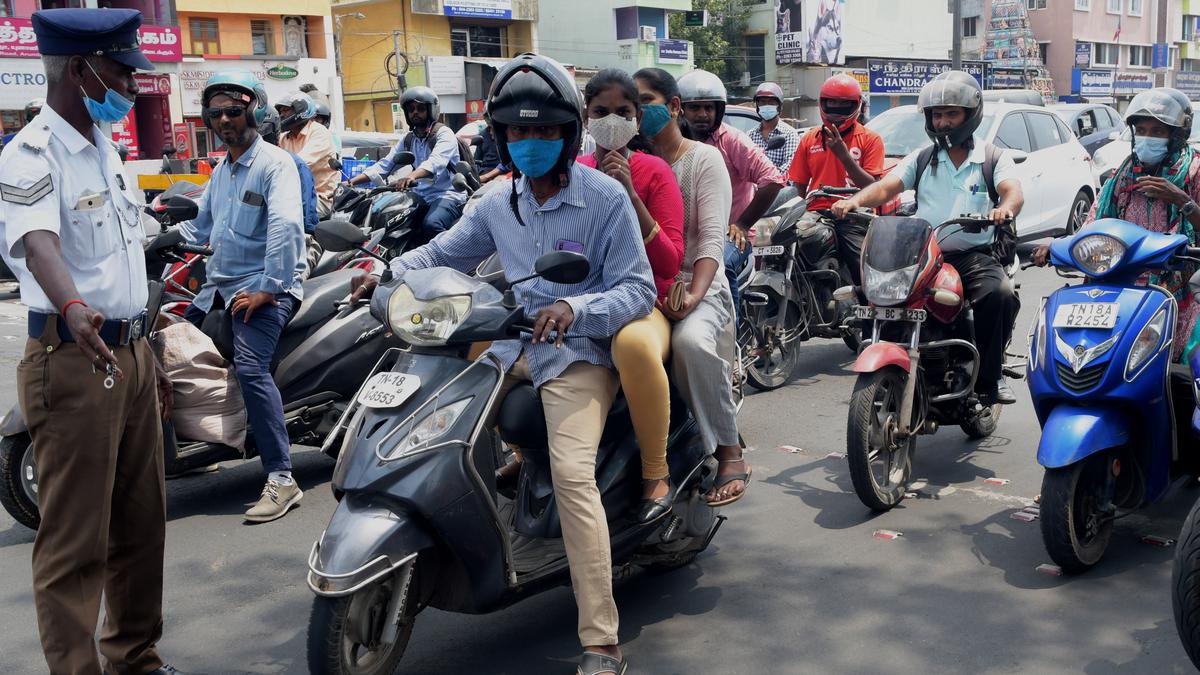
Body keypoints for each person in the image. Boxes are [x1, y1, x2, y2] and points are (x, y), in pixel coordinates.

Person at [350, 53, 654, 675]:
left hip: (578, 354)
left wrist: (575, 306)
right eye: (519, 131)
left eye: (544, 130)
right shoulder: (497, 203)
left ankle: (601, 641)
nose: (531, 143)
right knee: (427, 421)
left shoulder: (604, 198)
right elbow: (443, 253)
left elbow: (637, 288)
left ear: (569, 134)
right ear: (502, 136)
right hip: (508, 343)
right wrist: (381, 272)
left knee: (573, 477)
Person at [0, 8, 183, 674]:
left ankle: (135, 658)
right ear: (78, 71)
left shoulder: (108, 151)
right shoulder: (32, 152)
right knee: (76, 543)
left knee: (142, 528)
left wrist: (151, 350)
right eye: (119, 69)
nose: (132, 84)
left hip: (128, 354)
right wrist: (73, 305)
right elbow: (38, 241)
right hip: (75, 359)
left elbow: (125, 266)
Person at [831, 70, 1023, 406]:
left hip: (972, 257)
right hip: (924, 254)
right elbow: (887, 186)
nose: (944, 122)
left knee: (1001, 295)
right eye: (938, 114)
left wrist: (1004, 209)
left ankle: (992, 377)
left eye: (952, 114)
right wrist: (855, 200)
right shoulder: (923, 158)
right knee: (881, 297)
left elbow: (1013, 192)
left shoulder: (992, 158)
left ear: (969, 115)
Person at [180, 71, 307, 522]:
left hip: (266, 290)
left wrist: (267, 288)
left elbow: (287, 227)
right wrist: (148, 238)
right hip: (220, 288)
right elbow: (198, 225)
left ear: (254, 111)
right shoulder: (221, 171)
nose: (224, 120)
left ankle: (281, 478)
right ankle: (207, 440)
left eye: (234, 110)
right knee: (176, 352)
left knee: (251, 368)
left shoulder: (275, 164)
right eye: (215, 113)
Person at [636, 67, 751, 507]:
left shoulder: (704, 160)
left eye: (648, 100)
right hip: (638, 286)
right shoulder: (622, 162)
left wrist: (694, 297)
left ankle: (729, 449)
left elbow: (710, 241)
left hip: (695, 283)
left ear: (673, 106)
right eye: (634, 104)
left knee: (691, 343)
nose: (639, 112)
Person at [575, 68, 685, 521]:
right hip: (581, 302)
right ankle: (524, 454)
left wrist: (628, 194)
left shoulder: (654, 171)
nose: (611, 120)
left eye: (623, 112)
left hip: (644, 303)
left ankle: (655, 472)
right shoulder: (572, 173)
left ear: (638, 119)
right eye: (602, 112)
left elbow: (669, 262)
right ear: (586, 118)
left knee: (633, 346)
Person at [1032, 88, 1200, 360]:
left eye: (1158, 132)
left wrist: (1181, 199)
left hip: (1176, 288)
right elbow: (1093, 222)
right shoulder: (1123, 175)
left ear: (1176, 136)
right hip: (1121, 284)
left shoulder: (1194, 171)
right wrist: (1059, 246)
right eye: (1142, 130)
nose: (1147, 138)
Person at [676, 68, 786, 319]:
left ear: (719, 110)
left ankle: (730, 336)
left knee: (719, 266)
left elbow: (772, 180)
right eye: (695, 108)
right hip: (684, 235)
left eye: (709, 108)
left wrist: (742, 223)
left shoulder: (732, 141)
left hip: (728, 237)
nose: (703, 114)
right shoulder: (672, 142)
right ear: (679, 109)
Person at [788, 73, 885, 284]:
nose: (837, 108)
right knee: (788, 255)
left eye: (844, 104)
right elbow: (799, 186)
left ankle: (866, 308)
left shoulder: (870, 139)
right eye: (832, 102)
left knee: (867, 273)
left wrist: (844, 155)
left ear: (856, 105)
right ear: (823, 104)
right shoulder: (809, 139)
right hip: (815, 214)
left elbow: (873, 188)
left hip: (855, 215)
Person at [348, 86, 466, 242]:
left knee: (432, 224)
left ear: (431, 110)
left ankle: (450, 260)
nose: (415, 112)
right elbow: (385, 165)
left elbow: (436, 162)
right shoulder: (409, 139)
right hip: (421, 195)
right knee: (390, 220)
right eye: (411, 109)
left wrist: (411, 176)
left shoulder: (444, 134)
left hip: (447, 194)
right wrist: (350, 182)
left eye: (420, 108)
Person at [276, 91, 338, 218]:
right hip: (293, 196)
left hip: (319, 199)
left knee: (281, 214)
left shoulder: (319, 133)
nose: (282, 115)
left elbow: (298, 164)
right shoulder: (284, 138)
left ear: (300, 109)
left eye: (285, 110)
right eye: (280, 111)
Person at [747, 82, 800, 171]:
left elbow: (790, 166)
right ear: (757, 106)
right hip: (754, 184)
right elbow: (745, 165)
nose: (766, 106)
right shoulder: (750, 136)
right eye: (762, 102)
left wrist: (765, 176)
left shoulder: (790, 135)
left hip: (779, 184)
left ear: (780, 106)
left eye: (771, 102)